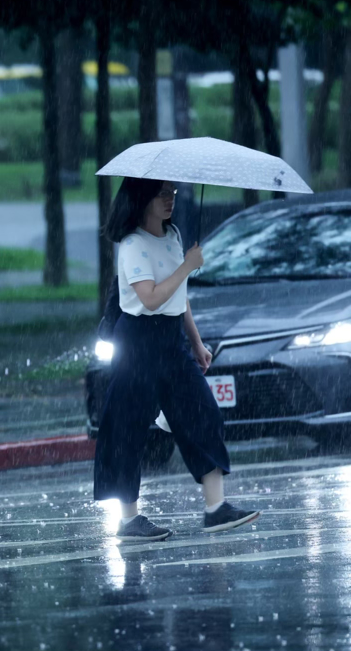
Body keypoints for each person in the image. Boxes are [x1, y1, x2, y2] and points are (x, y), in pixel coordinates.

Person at [95, 177, 260, 541]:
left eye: (172, 192)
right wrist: (186, 266)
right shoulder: (132, 244)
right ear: (142, 199)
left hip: (171, 340)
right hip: (137, 341)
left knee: (202, 411)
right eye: (161, 194)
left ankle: (216, 508)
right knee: (128, 428)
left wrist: (196, 342)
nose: (170, 199)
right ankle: (129, 519)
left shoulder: (174, 236)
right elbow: (150, 298)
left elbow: (178, 298)